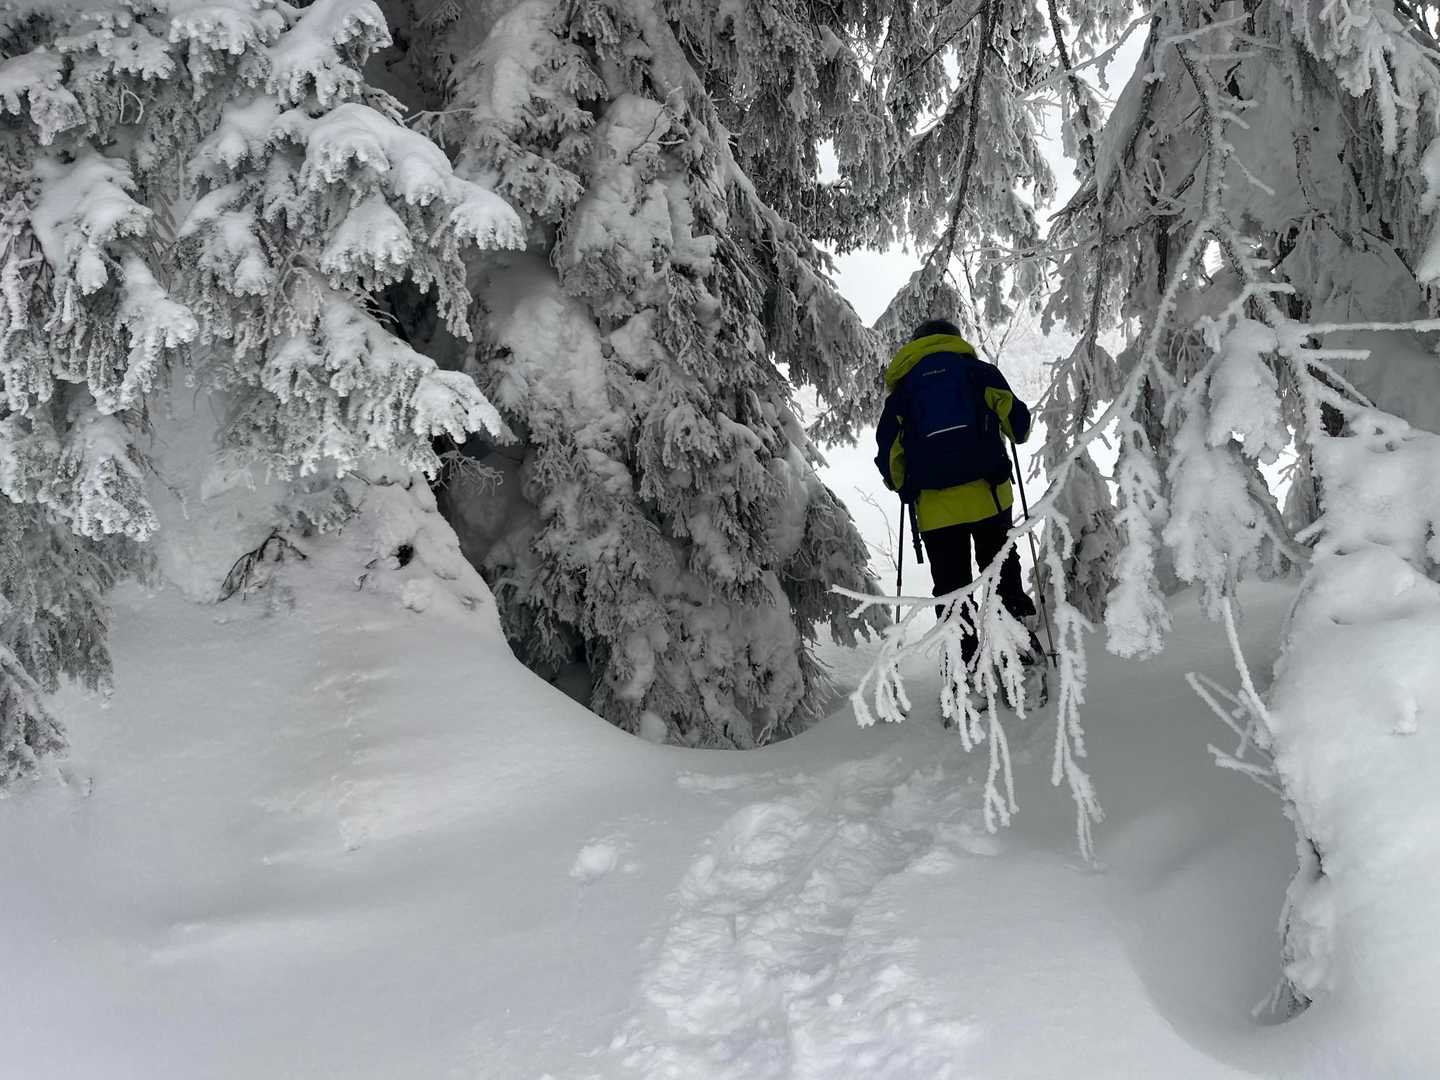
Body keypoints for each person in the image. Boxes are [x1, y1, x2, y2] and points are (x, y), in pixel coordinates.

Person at [874, 318, 1041, 678]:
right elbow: (1019, 426)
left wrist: (903, 486)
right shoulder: (979, 373)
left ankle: (962, 670)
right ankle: (1017, 650)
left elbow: (889, 457)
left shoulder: (904, 390)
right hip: (990, 498)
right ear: (955, 340)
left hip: (936, 511)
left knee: (952, 588)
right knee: (1001, 571)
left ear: (916, 345)